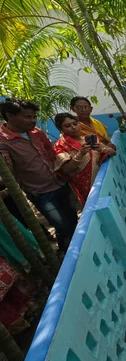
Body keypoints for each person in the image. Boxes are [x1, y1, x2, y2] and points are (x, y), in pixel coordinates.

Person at [0, 98, 78, 251]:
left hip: (60, 183)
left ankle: (78, 250)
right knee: (62, 226)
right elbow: (6, 170)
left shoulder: (37, 133)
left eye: (34, 116)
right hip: (41, 193)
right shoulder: (3, 142)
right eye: (28, 117)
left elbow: (52, 154)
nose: (33, 120)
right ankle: (66, 253)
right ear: (10, 116)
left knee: (73, 220)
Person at [53, 113, 116, 205]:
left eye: (75, 123)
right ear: (61, 129)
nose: (73, 127)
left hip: (104, 179)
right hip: (86, 186)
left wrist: (103, 149)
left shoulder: (89, 138)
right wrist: (80, 154)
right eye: (67, 126)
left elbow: (113, 153)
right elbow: (66, 170)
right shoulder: (60, 146)